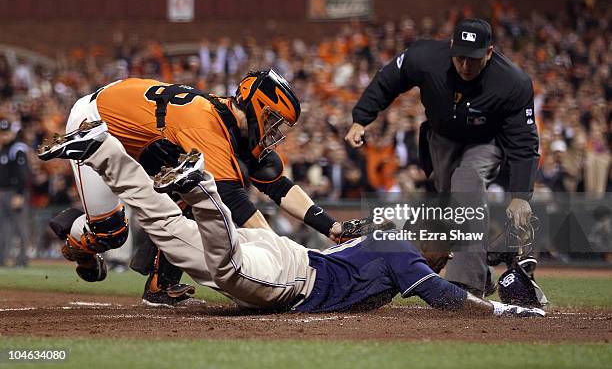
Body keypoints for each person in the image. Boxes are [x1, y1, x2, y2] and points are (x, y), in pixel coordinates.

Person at [37, 120, 545, 318]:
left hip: (290, 258)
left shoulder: (391, 242)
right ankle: (200, 186)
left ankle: (104, 150)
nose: (439, 256)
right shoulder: (402, 252)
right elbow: (445, 298)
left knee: (172, 233)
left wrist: (505, 266)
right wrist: (506, 310)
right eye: (441, 249)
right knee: (226, 268)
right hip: (290, 278)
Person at [46, 70, 375, 307]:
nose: (275, 132)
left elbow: (279, 187)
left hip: (135, 128)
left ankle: (161, 284)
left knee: (191, 189)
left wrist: (330, 226)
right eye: (273, 120)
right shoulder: (208, 122)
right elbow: (234, 202)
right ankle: (75, 234)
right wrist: (287, 258)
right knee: (111, 233)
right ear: (256, 106)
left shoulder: (231, 122)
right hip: (96, 123)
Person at [345, 19, 540, 297]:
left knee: (467, 182)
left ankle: (465, 286)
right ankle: (488, 267)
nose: (465, 66)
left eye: (473, 59)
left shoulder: (513, 82)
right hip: (442, 138)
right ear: (451, 47)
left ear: (489, 52)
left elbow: (524, 141)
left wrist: (521, 195)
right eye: (460, 57)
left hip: (486, 140)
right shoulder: (424, 57)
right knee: (452, 207)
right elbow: (388, 80)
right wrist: (360, 119)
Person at [0, 115, 29, 267]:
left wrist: (19, 194)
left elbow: (22, 174)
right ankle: (2, 258)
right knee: (4, 227)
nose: (3, 135)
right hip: (3, 192)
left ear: (12, 133)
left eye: (6, 132)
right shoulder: (4, 149)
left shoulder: (17, 148)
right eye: (1, 132)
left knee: (20, 227)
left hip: (14, 192)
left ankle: (23, 259)